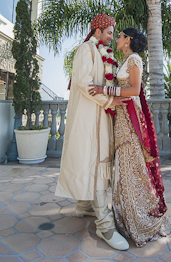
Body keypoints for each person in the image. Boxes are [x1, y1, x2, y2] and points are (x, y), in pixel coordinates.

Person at [89, 27, 171, 247]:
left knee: (131, 164)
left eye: (120, 36)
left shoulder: (135, 59)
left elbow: (134, 90)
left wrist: (104, 90)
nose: (116, 39)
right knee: (125, 166)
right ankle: (126, 217)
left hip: (130, 118)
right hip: (122, 116)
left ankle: (140, 219)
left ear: (128, 40)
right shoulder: (126, 60)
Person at [55, 14, 130, 251]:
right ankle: (104, 225)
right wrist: (110, 99)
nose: (111, 37)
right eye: (109, 32)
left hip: (102, 115)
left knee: (98, 159)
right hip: (90, 115)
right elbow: (84, 84)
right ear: (97, 31)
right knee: (95, 161)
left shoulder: (103, 53)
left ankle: (84, 205)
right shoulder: (85, 50)